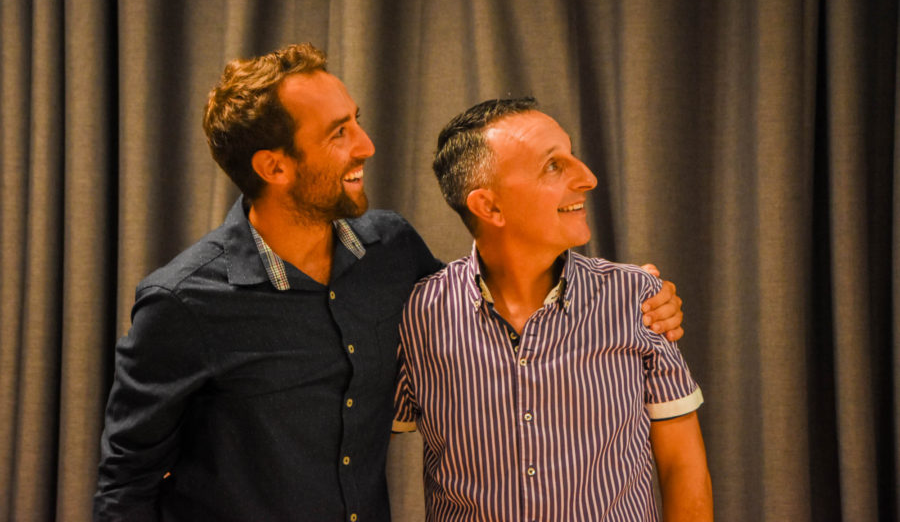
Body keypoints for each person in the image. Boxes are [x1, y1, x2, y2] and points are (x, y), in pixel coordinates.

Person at [93, 45, 686, 521]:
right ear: (274, 167)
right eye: (337, 133)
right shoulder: (184, 301)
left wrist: (638, 292)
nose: (366, 146)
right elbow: (125, 483)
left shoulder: (392, 249)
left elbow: (483, 300)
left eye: (357, 121)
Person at [393, 97, 713, 521]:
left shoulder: (639, 299)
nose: (589, 178)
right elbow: (353, 451)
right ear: (489, 206)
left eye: (572, 156)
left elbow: (683, 468)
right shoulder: (417, 315)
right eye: (553, 166)